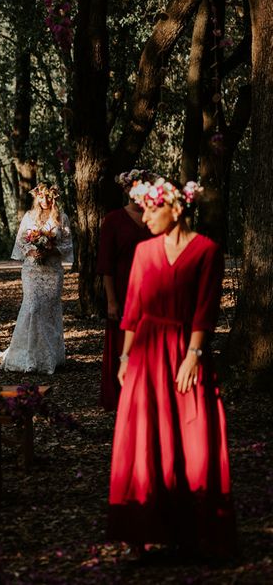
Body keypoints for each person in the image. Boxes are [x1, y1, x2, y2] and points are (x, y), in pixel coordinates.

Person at [108, 177, 236, 556]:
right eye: (143, 208)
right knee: (145, 441)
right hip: (146, 355)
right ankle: (144, 531)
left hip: (185, 352)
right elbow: (132, 310)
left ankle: (196, 531)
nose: (145, 217)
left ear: (175, 209)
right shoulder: (144, 252)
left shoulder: (207, 251)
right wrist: (125, 357)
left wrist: (193, 356)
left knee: (193, 438)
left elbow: (205, 309)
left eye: (152, 208)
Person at [0, 183, 73, 373]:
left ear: (54, 198)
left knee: (48, 312)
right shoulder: (29, 217)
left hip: (52, 271)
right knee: (32, 308)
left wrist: (52, 249)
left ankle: (49, 357)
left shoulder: (61, 218)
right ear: (37, 198)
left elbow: (67, 245)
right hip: (32, 270)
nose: (45, 200)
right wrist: (31, 251)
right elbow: (20, 241)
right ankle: (27, 356)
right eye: (41, 197)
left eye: (49, 197)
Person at [96, 169, 154, 411]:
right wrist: (111, 300)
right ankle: (121, 393)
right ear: (126, 189)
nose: (137, 192)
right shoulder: (113, 219)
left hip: (152, 288)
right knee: (122, 342)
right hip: (122, 288)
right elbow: (106, 263)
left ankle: (148, 391)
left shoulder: (156, 217)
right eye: (133, 187)